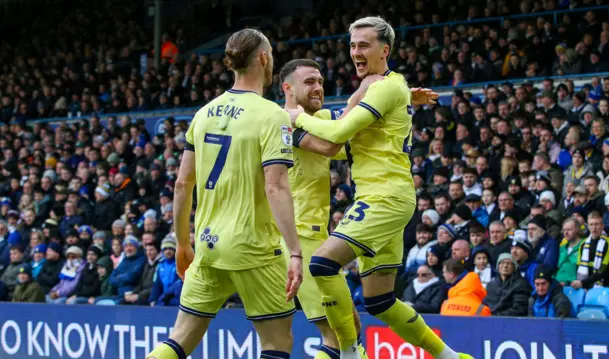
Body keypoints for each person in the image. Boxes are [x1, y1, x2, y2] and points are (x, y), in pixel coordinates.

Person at [287, 16, 469, 359]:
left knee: (323, 264)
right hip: (385, 198)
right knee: (380, 301)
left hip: (385, 198)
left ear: (385, 50)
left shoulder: (385, 86)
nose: (355, 52)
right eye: (353, 45)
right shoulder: (379, 88)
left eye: (364, 45)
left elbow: (338, 135)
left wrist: (298, 119)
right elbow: (341, 135)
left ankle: (351, 352)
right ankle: (450, 357)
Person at [147, 29, 303, 359]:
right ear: (263, 58)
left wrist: (183, 243)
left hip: (207, 244)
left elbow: (181, 185)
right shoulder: (271, 114)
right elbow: (274, 186)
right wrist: (295, 252)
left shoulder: (203, 114)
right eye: (271, 52)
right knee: (277, 344)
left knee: (180, 339)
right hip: (254, 248)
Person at [280, 58, 367, 359]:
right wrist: (368, 89)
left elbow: (348, 128)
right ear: (287, 88)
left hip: (319, 239)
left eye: (319, 81)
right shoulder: (281, 123)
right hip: (298, 240)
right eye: (309, 82)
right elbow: (332, 145)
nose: (318, 87)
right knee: (334, 336)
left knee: (352, 331)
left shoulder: (322, 117)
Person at [572, 211, 609, 289]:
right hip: (584, 286)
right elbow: (578, 266)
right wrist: (582, 284)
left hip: (603, 286)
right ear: (588, 226)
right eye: (591, 224)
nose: (594, 227)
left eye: (597, 224)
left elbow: (604, 268)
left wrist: (583, 283)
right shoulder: (583, 243)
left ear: (602, 225)